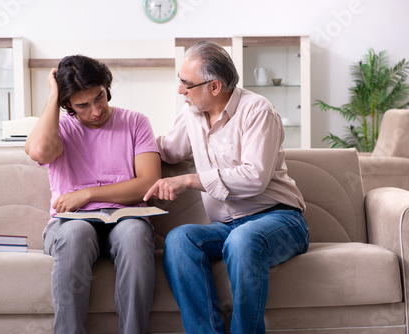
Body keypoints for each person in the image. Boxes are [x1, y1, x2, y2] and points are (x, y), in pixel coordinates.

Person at [143, 41, 310, 334]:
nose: (180, 90)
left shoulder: (257, 111)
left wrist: (190, 180)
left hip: (279, 219)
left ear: (215, 87)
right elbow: (167, 150)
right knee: (180, 240)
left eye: (186, 83)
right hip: (227, 226)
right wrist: (126, 146)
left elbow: (255, 176)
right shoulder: (191, 114)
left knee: (243, 240)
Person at [25, 55, 161, 334]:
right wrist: (53, 96)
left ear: (106, 87)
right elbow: (39, 152)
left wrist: (86, 194)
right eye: (82, 105)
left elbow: (149, 183)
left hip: (126, 218)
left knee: (134, 235)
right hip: (71, 223)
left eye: (99, 97)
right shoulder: (60, 128)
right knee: (77, 235)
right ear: (68, 105)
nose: (96, 110)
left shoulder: (135, 122)